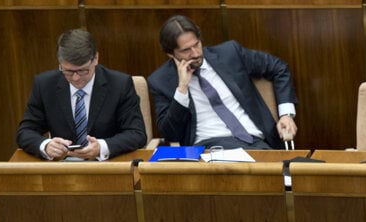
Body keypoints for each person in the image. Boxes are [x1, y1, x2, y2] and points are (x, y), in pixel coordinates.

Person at [148, 15, 298, 150]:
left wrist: (286, 114)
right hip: (207, 149)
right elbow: (171, 133)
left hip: (255, 143)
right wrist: (182, 89)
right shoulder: (160, 81)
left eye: (197, 44)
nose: (195, 53)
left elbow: (279, 68)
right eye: (186, 50)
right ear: (170, 54)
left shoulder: (230, 53)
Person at [16, 29, 146, 161]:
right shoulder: (44, 85)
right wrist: (46, 145)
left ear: (95, 58)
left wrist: (101, 147)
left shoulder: (120, 85)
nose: (76, 78)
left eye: (83, 71)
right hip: (62, 169)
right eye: (68, 71)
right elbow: (25, 132)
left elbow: (136, 134)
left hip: (107, 167)